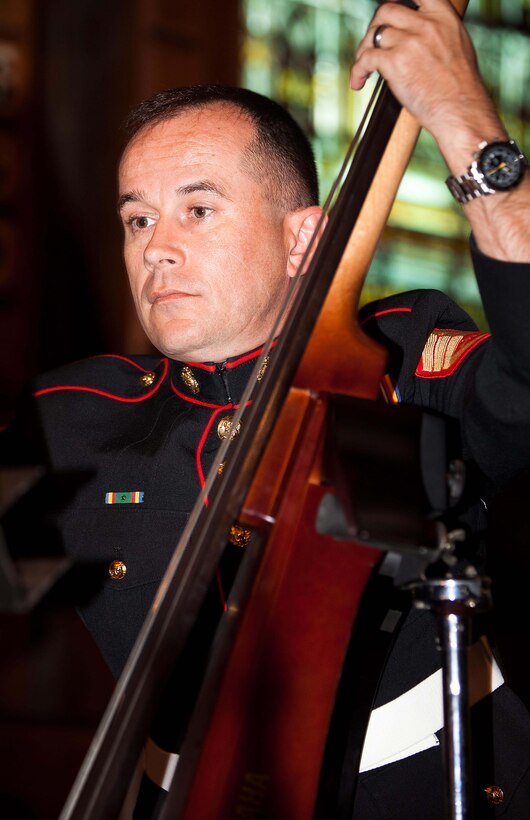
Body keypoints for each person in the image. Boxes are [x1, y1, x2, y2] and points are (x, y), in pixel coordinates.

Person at [2, 0, 530, 816]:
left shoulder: (403, 355)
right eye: (137, 218)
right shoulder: (73, 417)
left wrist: (463, 122)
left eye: (198, 208)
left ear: (301, 240)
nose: (157, 246)